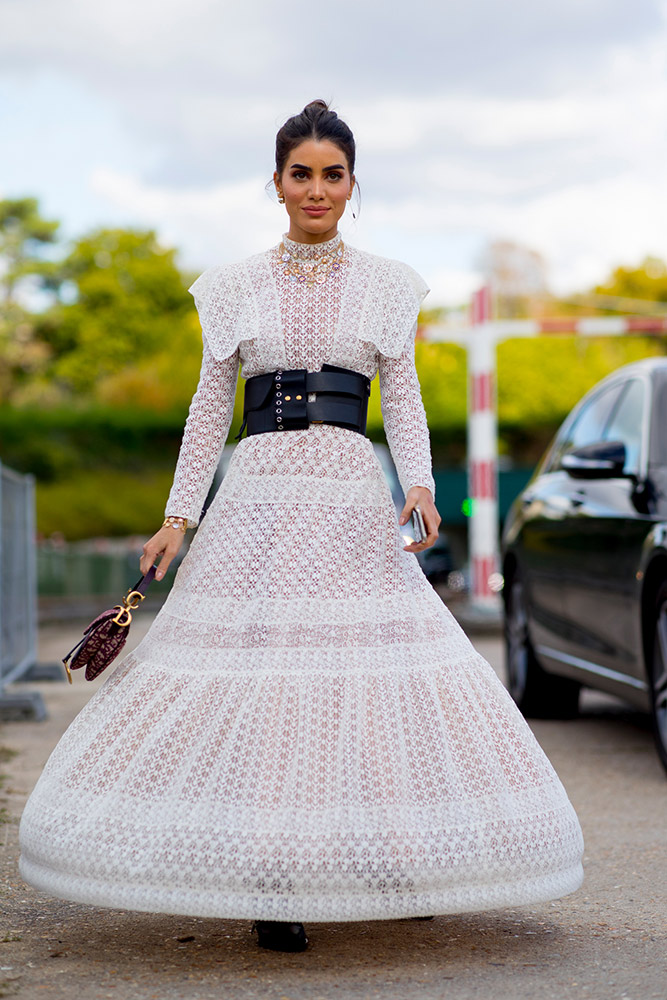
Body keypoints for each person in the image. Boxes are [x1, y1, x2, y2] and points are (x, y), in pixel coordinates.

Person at [19, 100, 583, 954]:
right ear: (277, 183)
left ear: (352, 185)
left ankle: (400, 862)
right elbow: (209, 411)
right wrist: (179, 516)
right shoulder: (231, 287)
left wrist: (423, 484)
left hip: (351, 499)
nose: (316, 188)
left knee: (372, 678)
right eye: (300, 173)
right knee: (268, 682)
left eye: (332, 174)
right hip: (258, 501)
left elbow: (403, 395)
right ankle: (272, 876)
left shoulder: (392, 285)